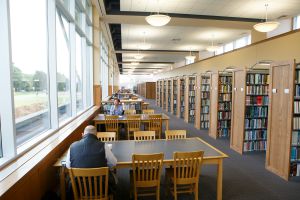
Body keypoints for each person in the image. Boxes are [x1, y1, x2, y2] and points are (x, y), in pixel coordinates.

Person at [66, 125, 117, 195]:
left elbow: (68, 166)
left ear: (82, 135)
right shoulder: (103, 146)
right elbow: (113, 163)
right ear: (96, 134)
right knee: (115, 179)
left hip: (79, 189)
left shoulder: (72, 146)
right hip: (101, 188)